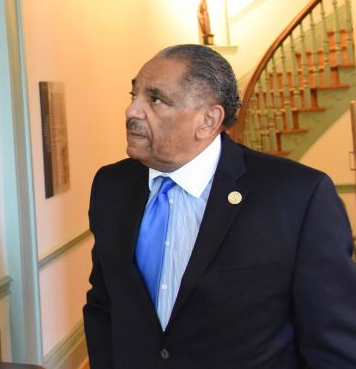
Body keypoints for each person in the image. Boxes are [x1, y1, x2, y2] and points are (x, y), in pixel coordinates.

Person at [84, 44, 356, 368]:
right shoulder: (111, 186)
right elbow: (104, 302)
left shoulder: (298, 197)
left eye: (155, 100)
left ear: (208, 120)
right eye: (134, 95)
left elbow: (333, 342)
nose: (132, 111)